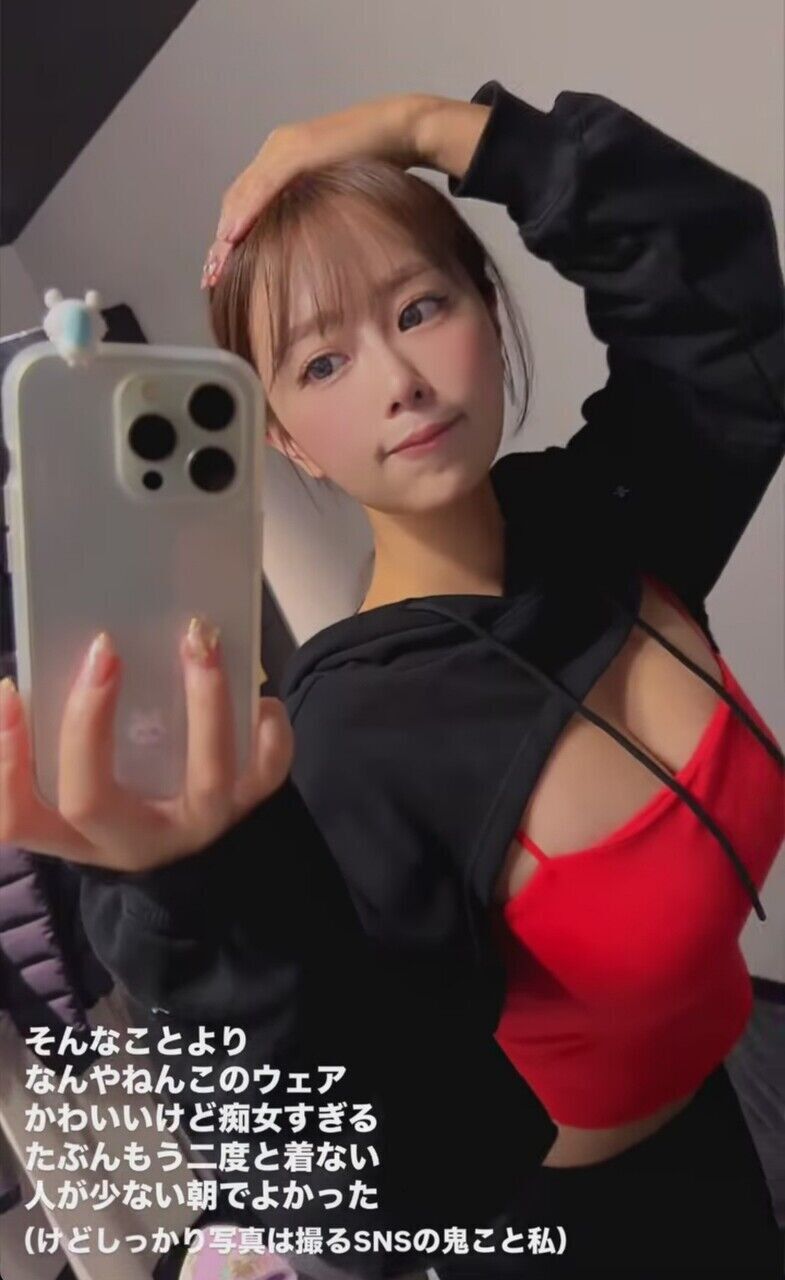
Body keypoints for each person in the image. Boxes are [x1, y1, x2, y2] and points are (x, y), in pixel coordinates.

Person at [1, 80, 783, 1279]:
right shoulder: (351, 735)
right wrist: (194, 897)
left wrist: (438, 130)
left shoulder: (599, 516)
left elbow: (723, 312)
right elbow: (361, 1164)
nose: (398, 379)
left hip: (724, 1124)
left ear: (487, 308)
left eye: (419, 307)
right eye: (322, 362)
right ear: (279, 437)